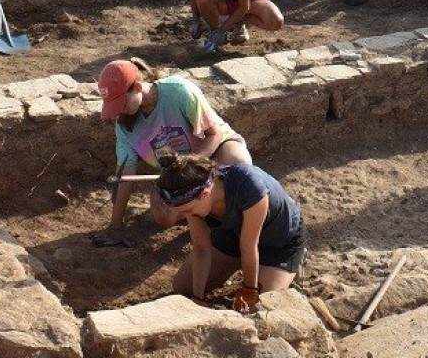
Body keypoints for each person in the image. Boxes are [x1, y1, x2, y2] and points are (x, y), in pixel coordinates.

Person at [90, 58, 252, 248]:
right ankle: (204, 213)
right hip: (177, 172)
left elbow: (214, 134)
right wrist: (115, 227)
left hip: (215, 152)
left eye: (121, 104)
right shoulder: (124, 128)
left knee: (239, 167)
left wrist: (189, 165)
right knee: (163, 217)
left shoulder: (178, 91)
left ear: (137, 87)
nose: (119, 112)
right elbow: (125, 177)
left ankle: (235, 218)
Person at [156, 150, 305, 312]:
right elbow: (201, 250)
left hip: (278, 241)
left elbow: (249, 247)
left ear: (205, 194)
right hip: (232, 235)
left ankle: (290, 267)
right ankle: (241, 265)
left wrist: (250, 289)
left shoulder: (249, 186)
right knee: (183, 288)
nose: (186, 215)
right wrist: (198, 297)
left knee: (263, 306)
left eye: (187, 211)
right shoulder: (193, 202)